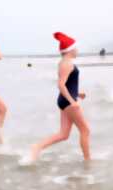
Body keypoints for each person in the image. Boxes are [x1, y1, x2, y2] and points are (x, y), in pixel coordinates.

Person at [30, 32, 91, 161]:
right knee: (85, 130)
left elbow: (68, 83)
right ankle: (88, 160)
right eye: (75, 47)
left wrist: (77, 93)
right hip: (68, 102)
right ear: (70, 50)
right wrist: (72, 101)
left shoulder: (65, 62)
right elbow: (61, 84)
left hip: (65, 100)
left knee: (63, 134)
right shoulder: (66, 64)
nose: (77, 50)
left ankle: (37, 147)